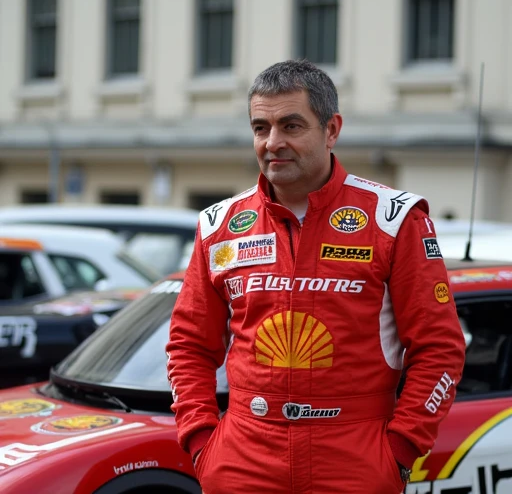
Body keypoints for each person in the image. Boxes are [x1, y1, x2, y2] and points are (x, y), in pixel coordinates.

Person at [166, 59, 466, 494]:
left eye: (291, 126)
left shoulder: (394, 219)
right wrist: (200, 441)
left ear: (331, 129)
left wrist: (401, 448)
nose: (273, 143)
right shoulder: (218, 224)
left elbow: (440, 349)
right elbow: (188, 345)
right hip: (242, 458)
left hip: (355, 456)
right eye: (260, 128)